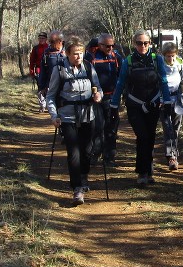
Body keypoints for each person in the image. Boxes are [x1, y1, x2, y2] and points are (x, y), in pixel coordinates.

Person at [46, 39, 102, 206]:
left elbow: (97, 87)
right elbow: (51, 95)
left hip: (88, 115)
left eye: (81, 53)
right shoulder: (59, 70)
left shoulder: (89, 67)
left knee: (87, 150)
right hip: (67, 117)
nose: (78, 56)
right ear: (67, 54)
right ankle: (77, 187)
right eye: (75, 53)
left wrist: (98, 95)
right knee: (74, 152)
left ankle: (84, 175)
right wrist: (54, 115)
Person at [111, 30, 171, 185]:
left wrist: (168, 102)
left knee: (150, 137)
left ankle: (148, 171)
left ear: (150, 43)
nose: (142, 46)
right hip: (134, 106)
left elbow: (163, 82)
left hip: (153, 105)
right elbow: (120, 83)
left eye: (145, 43)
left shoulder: (157, 59)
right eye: (139, 43)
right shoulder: (128, 61)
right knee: (142, 136)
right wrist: (114, 104)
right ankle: (142, 172)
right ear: (134, 44)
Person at [87, 33, 122, 165]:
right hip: (96, 99)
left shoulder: (116, 57)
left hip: (112, 98)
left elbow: (121, 75)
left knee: (112, 127)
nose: (110, 48)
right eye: (107, 46)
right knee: (97, 127)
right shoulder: (91, 57)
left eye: (112, 45)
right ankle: (95, 153)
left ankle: (109, 156)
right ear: (100, 45)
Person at [159, 41, 183, 170]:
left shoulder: (179, 62)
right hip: (164, 101)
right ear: (164, 55)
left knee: (176, 129)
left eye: (173, 55)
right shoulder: (160, 63)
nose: (171, 58)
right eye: (168, 55)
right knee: (167, 128)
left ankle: (174, 154)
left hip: (178, 100)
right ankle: (171, 157)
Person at [37, 31, 66, 111]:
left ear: (60, 42)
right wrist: (42, 87)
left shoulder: (68, 52)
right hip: (51, 86)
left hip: (67, 86)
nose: (50, 44)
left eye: (52, 42)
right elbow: (43, 70)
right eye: (49, 42)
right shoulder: (47, 53)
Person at [29, 32, 50, 109]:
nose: (41, 40)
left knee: (48, 87)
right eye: (40, 38)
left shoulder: (49, 47)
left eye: (43, 38)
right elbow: (32, 61)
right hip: (39, 70)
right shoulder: (35, 48)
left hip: (48, 70)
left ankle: (49, 104)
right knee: (40, 87)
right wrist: (32, 71)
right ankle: (42, 105)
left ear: (46, 39)